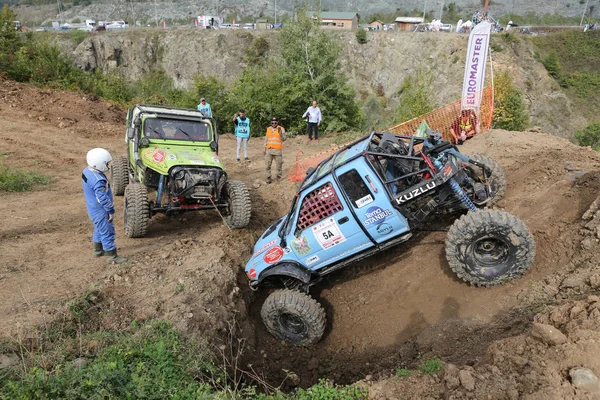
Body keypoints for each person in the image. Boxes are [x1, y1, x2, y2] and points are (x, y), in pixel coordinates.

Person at [82, 148, 128, 264]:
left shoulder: (87, 171)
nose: (108, 165)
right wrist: (110, 210)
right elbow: (102, 198)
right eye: (106, 163)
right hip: (100, 210)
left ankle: (98, 251)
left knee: (99, 228)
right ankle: (112, 256)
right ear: (99, 164)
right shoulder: (99, 181)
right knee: (107, 232)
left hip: (92, 207)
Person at [263, 117, 287, 184]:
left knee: (279, 166)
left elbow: (284, 139)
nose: (274, 124)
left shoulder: (281, 129)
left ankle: (278, 179)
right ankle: (268, 179)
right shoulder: (268, 129)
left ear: (277, 122)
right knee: (267, 166)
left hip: (277, 151)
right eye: (272, 122)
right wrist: (264, 149)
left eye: (275, 122)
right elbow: (266, 139)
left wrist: (280, 134)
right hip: (269, 150)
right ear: (271, 122)